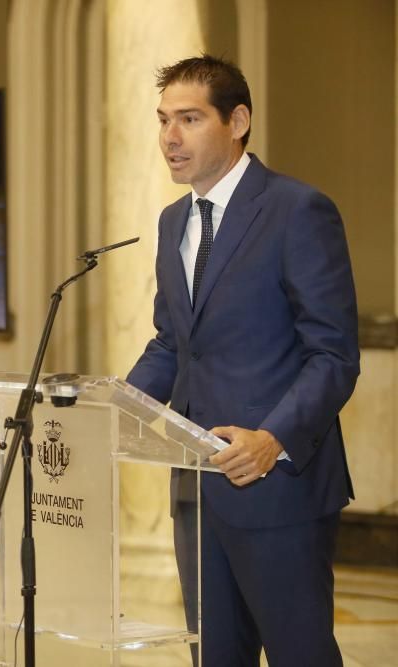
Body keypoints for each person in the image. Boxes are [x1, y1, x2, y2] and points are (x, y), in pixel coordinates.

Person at [126, 54, 360, 667]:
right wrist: (115, 406)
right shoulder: (173, 220)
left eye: (189, 119)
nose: (169, 138)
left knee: (300, 654)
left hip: (276, 485)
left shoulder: (297, 210)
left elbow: (333, 355)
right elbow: (173, 344)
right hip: (196, 489)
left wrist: (272, 439)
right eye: (162, 120)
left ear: (237, 121)